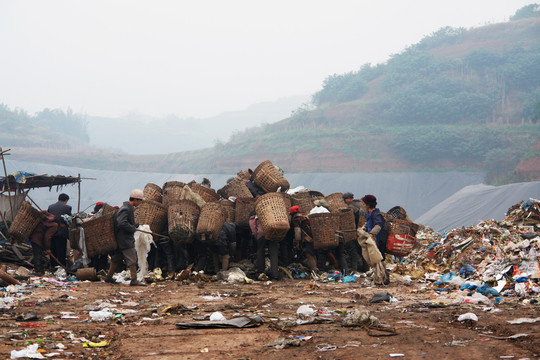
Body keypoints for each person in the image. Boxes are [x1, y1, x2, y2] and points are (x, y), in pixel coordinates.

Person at [104, 189, 146, 286]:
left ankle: (108, 277)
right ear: (135, 200)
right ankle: (134, 280)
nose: (140, 203)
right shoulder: (126, 209)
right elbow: (121, 222)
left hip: (121, 238)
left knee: (117, 258)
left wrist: (135, 225)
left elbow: (125, 221)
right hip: (124, 239)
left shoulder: (127, 208)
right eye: (140, 201)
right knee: (132, 258)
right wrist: (132, 228)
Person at [249, 210, 279, 280]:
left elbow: (253, 229)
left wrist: (257, 237)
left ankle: (261, 272)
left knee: (260, 251)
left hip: (261, 234)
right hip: (272, 232)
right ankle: (275, 275)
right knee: (274, 253)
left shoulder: (253, 216)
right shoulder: (271, 213)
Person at [29, 210, 58, 275]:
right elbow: (47, 237)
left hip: (34, 238)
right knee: (38, 255)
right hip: (37, 239)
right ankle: (39, 271)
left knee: (38, 255)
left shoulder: (44, 221)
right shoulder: (54, 226)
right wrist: (47, 248)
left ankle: (40, 271)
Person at [290, 206, 317, 274]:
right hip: (313, 238)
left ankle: (314, 271)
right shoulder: (305, 217)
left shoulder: (296, 219)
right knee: (313, 254)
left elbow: (297, 231)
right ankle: (315, 269)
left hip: (307, 239)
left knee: (309, 254)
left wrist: (298, 242)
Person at [47, 193, 72, 267]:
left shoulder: (50, 207)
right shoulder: (67, 207)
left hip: (51, 232)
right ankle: (62, 267)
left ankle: (53, 267)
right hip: (61, 233)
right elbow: (68, 219)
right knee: (61, 252)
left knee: (53, 251)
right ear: (66, 200)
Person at [361, 194, 388, 261]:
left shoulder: (376, 214)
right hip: (373, 237)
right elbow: (368, 223)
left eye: (364, 204)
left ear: (368, 205)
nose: (363, 206)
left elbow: (378, 226)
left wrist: (372, 234)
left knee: (379, 256)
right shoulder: (368, 213)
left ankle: (381, 270)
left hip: (379, 238)